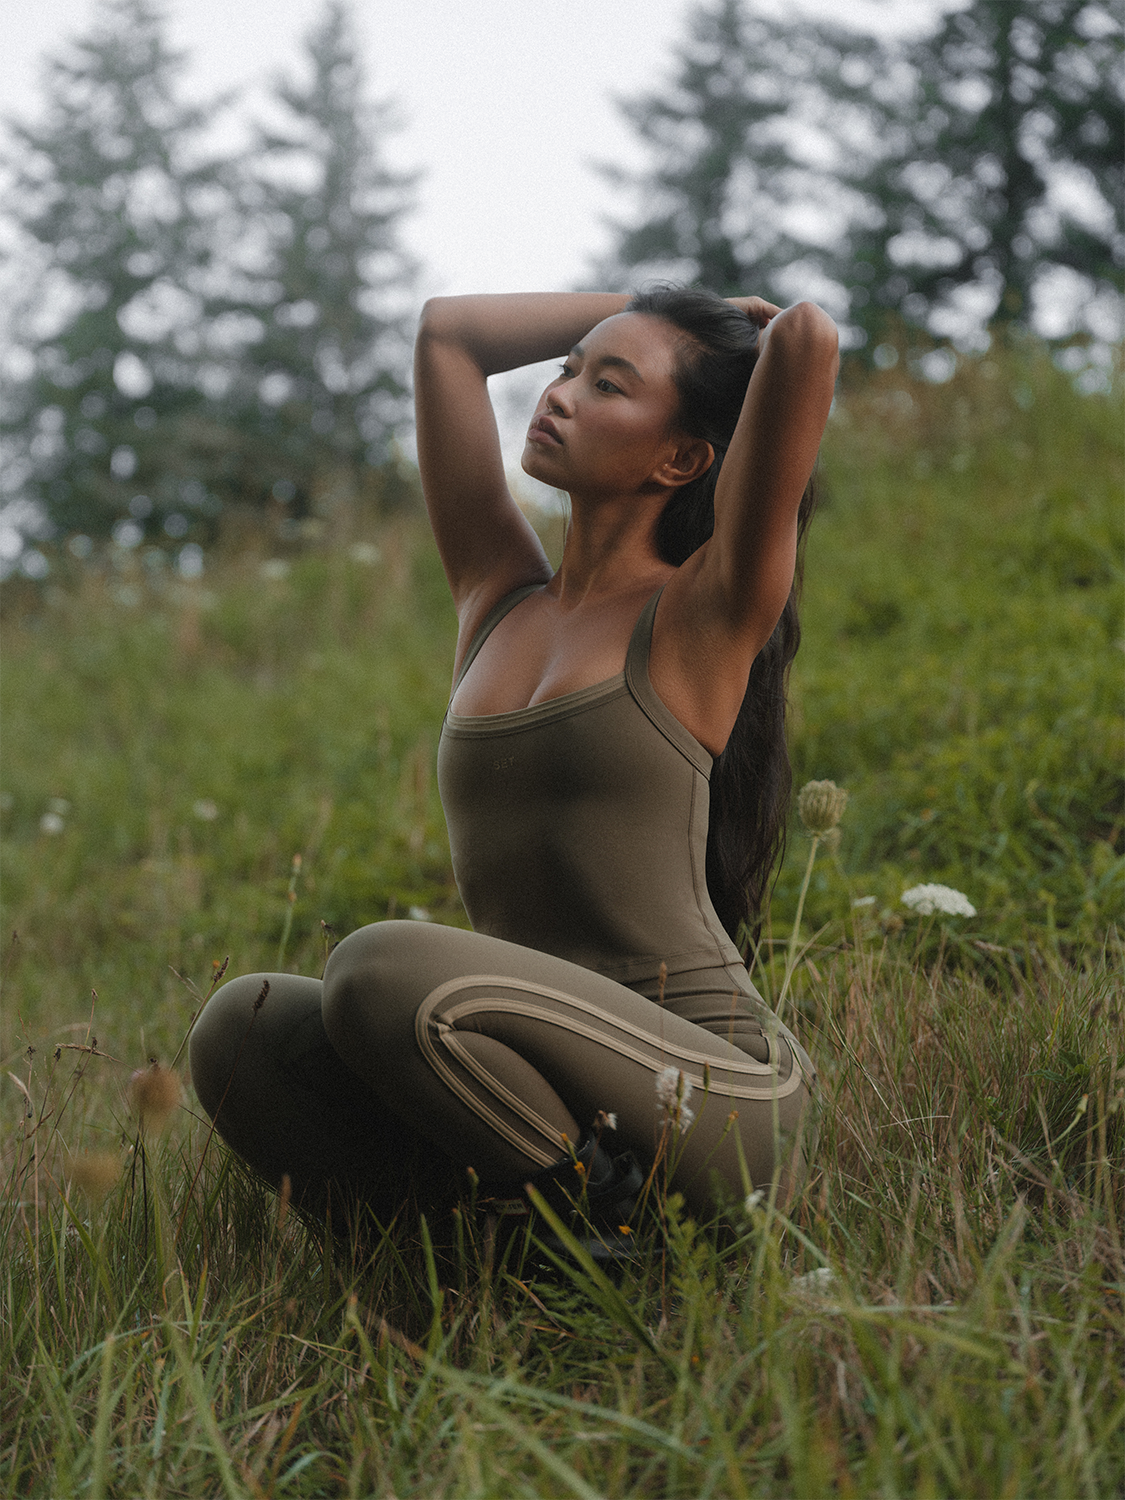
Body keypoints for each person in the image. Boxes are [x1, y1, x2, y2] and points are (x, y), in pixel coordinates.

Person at [189, 286, 839, 1239]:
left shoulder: (705, 609)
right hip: (525, 1070)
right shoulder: (496, 598)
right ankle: (460, 1251)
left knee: (378, 969)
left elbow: (811, 341)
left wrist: (746, 319)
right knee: (242, 1027)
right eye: (566, 369)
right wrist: (641, 300)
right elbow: (448, 333)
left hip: (716, 1096)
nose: (560, 394)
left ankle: (605, 1241)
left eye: (607, 385)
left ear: (683, 457)